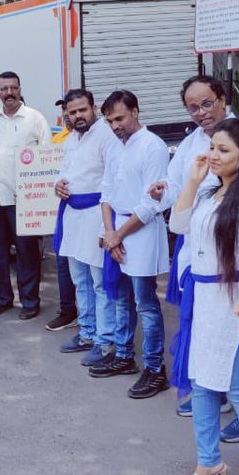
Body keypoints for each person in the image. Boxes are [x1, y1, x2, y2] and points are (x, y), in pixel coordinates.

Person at [149, 76, 239, 422]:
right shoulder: (192, 143)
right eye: (193, 107)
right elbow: (179, 190)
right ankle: (212, 395)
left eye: (206, 103)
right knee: (204, 331)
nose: (201, 113)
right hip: (199, 257)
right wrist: (165, 189)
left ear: (221, 98)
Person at [171, 118, 239, 475]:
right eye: (212, 147)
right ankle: (209, 462)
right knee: (202, 382)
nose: (214, 156)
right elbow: (178, 225)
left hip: (238, 301)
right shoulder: (207, 192)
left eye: (224, 150)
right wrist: (193, 179)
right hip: (204, 299)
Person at [89, 90, 171, 400]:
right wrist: (110, 233)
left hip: (142, 231)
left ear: (135, 112)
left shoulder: (153, 147)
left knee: (145, 303)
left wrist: (118, 234)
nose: (115, 125)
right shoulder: (114, 147)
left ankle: (154, 369)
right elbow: (106, 192)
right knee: (120, 299)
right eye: (109, 120)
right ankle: (124, 356)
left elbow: (151, 204)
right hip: (117, 231)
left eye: (120, 118)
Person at [0, 71, 52, 320]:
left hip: (24, 201)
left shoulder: (35, 119)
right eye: (4, 89)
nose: (9, 93)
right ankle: (2, 298)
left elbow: (47, 158)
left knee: (27, 254)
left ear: (20, 89)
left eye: (13, 88)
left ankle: (30, 301)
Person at [53, 89, 118, 365]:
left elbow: (112, 180)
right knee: (80, 279)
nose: (78, 116)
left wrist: (108, 227)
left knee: (100, 283)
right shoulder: (71, 139)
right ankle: (88, 332)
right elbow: (65, 171)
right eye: (72, 111)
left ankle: (106, 341)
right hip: (73, 216)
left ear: (94, 108)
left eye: (82, 110)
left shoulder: (106, 136)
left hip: (96, 216)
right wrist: (58, 184)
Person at [47, 96, 79, 331]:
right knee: (63, 262)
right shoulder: (59, 140)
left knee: (87, 271)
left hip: (88, 212)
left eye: (76, 112)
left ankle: (90, 321)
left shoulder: (97, 138)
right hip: (62, 210)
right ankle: (68, 310)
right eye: (67, 113)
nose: (71, 117)